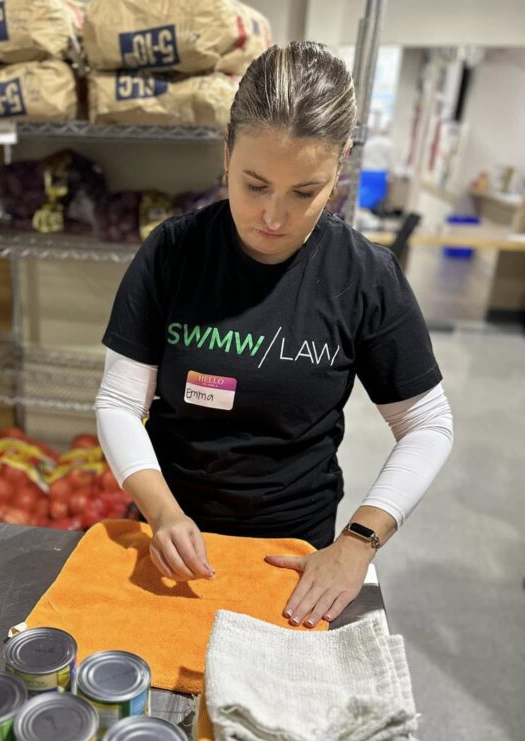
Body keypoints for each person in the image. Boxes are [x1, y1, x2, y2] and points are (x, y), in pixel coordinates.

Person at [94, 42, 453, 627]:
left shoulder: (362, 275)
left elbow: (427, 424)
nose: (273, 217)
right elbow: (118, 401)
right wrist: (161, 513)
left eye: (305, 192)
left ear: (340, 168)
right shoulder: (174, 252)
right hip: (170, 531)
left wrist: (358, 543)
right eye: (254, 185)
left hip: (292, 555)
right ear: (227, 150)